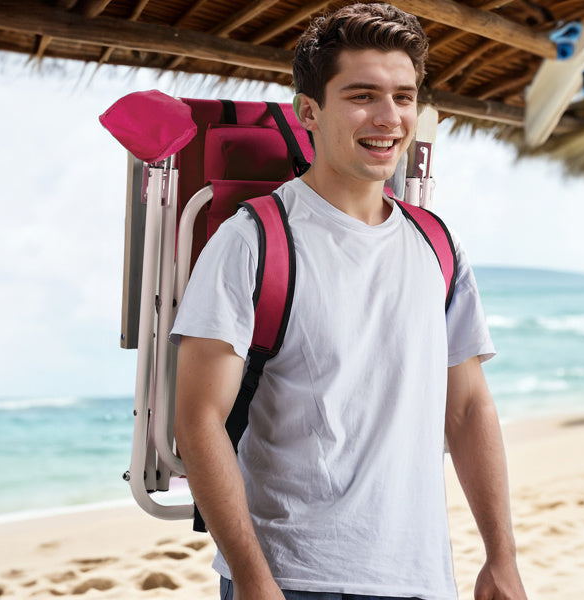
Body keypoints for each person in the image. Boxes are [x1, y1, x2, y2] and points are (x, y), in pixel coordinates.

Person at [171, 3, 527, 599]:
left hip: (421, 578)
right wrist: (256, 582)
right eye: (363, 95)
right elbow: (199, 418)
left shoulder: (438, 244)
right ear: (308, 111)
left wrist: (501, 556)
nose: (389, 118)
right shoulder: (252, 240)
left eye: (405, 96)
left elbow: (467, 411)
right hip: (293, 578)